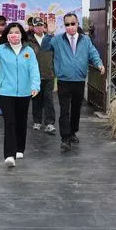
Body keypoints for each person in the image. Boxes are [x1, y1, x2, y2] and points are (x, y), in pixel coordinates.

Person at [41, 13, 105, 150]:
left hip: (80, 80)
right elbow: (44, 47)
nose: (70, 27)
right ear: (64, 26)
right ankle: (65, 138)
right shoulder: (57, 39)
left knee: (76, 108)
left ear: (77, 24)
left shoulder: (85, 40)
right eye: (67, 24)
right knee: (64, 110)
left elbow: (93, 53)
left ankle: (73, 132)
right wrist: (49, 34)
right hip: (64, 80)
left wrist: (99, 63)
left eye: (72, 23)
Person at [0, 23, 40, 167]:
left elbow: (34, 70)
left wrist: (35, 86)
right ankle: (9, 154)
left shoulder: (29, 51)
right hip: (6, 92)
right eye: (11, 32)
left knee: (21, 121)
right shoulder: (1, 49)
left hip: (24, 92)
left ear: (22, 34)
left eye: (17, 32)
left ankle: (20, 148)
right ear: (7, 35)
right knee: (9, 122)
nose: (14, 35)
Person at [26, 17, 56, 135]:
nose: (39, 27)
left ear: (44, 26)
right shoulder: (28, 41)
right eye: (36, 25)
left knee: (49, 100)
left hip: (48, 75)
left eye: (41, 25)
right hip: (34, 77)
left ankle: (49, 123)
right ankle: (37, 121)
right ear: (33, 27)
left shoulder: (51, 39)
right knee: (36, 100)